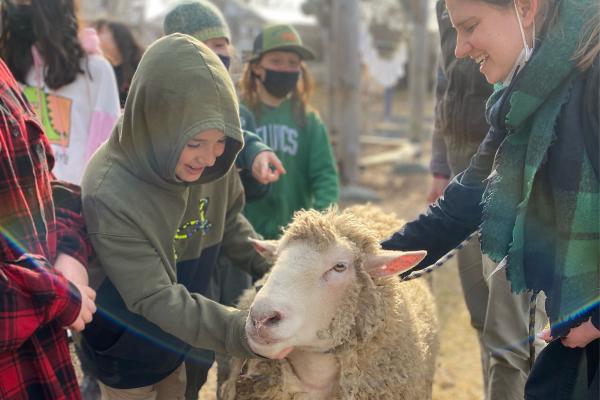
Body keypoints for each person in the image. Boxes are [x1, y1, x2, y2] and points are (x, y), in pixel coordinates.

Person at [382, 0, 599, 398]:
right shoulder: (523, 97)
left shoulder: (592, 77)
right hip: (573, 326)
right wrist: (371, 262)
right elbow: (466, 199)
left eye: (470, 26)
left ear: (526, 7)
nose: (459, 49)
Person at [77, 33, 271, 400]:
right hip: (128, 353)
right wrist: (240, 332)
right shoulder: (110, 188)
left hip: (188, 338)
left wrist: (277, 261)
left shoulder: (214, 163)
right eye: (195, 143)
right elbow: (154, 296)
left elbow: (228, 222)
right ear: (156, 123)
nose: (209, 157)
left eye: (220, 142)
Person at [162, 3, 286, 397]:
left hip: (214, 245)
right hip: (172, 255)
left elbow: (244, 135)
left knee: (204, 352)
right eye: (215, 44)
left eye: (227, 44)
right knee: (169, 355)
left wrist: (257, 156)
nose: (225, 53)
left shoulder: (228, 101)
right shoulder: (160, 104)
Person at [427, 1, 547, 398]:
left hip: (517, 171)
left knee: (527, 327)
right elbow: (445, 83)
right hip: (470, 170)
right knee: (487, 316)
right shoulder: (451, 10)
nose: (462, 46)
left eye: (471, 28)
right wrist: (441, 166)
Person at [0, 58, 96, 400]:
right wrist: (57, 294)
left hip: (41, 365)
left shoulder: (3, 74)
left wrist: (70, 253)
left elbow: (39, 186)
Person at [0, 0, 120, 184]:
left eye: (25, 2)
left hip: (74, 201)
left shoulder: (95, 69)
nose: (16, 9)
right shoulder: (13, 68)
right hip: (25, 197)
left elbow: (106, 148)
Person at [240, 24, 340, 240]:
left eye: (292, 63)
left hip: (296, 240)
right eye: (276, 61)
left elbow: (325, 177)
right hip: (243, 238)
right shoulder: (239, 113)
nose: (285, 69)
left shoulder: (309, 121)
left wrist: (320, 226)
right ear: (257, 67)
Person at [94, 19, 144, 108]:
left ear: (118, 36)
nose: (96, 36)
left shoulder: (141, 64)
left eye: (101, 32)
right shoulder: (106, 69)